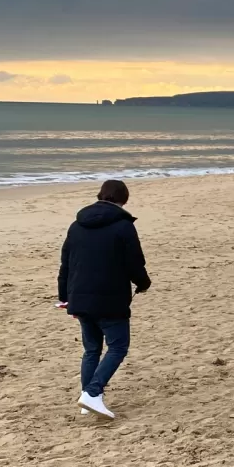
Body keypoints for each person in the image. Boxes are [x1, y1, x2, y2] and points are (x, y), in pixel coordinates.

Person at [58, 179, 151, 419]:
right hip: (110, 299)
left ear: (100, 195)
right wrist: (143, 283)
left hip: (80, 297)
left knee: (91, 349)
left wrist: (65, 297)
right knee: (118, 346)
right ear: (124, 200)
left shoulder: (76, 226)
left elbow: (66, 264)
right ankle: (92, 393)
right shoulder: (123, 226)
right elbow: (135, 263)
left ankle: (86, 398)